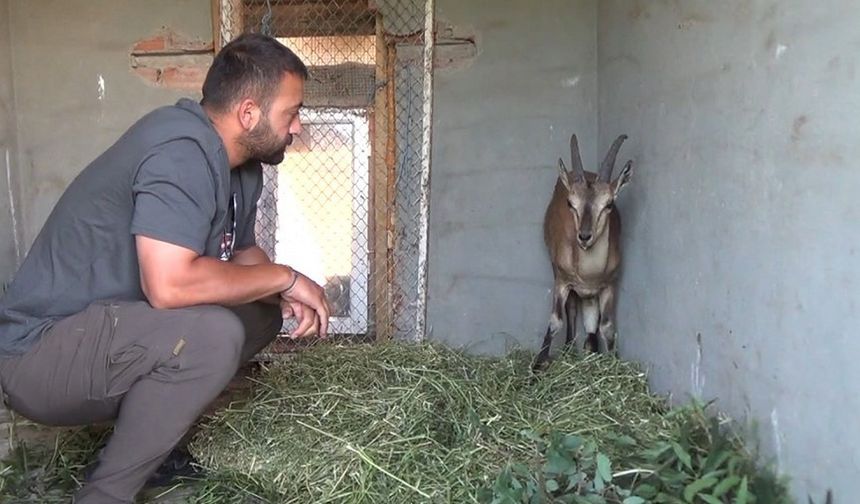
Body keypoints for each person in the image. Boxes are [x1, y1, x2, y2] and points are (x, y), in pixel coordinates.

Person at [0, 33, 330, 503]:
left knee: (261, 311)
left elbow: (242, 255)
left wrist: (285, 289)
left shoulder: (243, 165)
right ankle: (103, 496)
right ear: (249, 113)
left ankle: (146, 447)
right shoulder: (181, 149)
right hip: (38, 355)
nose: (298, 127)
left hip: (103, 332)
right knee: (212, 335)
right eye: (291, 112)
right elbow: (170, 285)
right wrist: (286, 276)